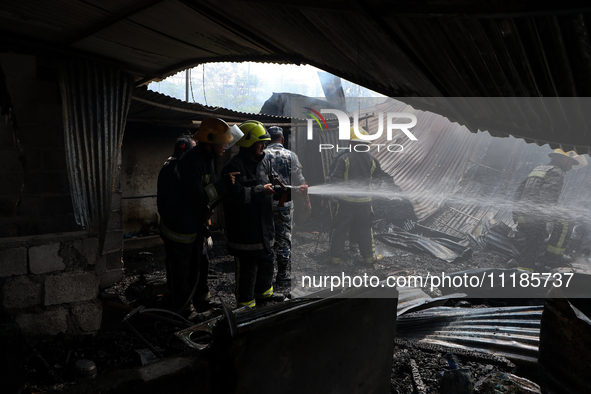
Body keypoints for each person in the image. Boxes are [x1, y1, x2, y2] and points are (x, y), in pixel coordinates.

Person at [157, 118, 242, 315]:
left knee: (199, 265)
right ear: (209, 141)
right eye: (222, 142)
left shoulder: (205, 159)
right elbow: (198, 196)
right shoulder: (191, 162)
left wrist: (205, 212)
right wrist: (222, 185)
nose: (225, 146)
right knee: (181, 270)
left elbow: (199, 195)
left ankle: (201, 302)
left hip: (192, 224)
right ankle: (184, 310)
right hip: (179, 228)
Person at [222, 120, 285, 308]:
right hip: (245, 230)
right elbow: (235, 196)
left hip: (264, 226)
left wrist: (277, 186)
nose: (263, 146)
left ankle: (264, 295)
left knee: (267, 261)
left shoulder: (264, 161)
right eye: (260, 142)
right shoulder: (233, 166)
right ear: (248, 143)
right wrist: (261, 190)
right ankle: (245, 304)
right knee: (248, 269)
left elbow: (268, 182)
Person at [326, 126, 392, 265]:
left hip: (345, 203)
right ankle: (369, 258)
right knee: (365, 231)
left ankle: (335, 259)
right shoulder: (373, 160)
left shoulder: (345, 158)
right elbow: (377, 180)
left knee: (340, 230)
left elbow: (335, 180)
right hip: (365, 203)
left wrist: (336, 193)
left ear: (351, 143)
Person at [512, 148, 585, 269]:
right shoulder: (556, 172)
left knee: (531, 247)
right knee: (566, 220)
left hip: (523, 214)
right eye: (571, 163)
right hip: (536, 216)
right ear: (563, 160)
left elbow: (519, 190)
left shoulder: (539, 168)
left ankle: (525, 271)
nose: (571, 167)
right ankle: (553, 258)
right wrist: (549, 216)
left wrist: (515, 214)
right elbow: (548, 198)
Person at [260, 126, 311, 284]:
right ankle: (282, 275)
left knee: (265, 238)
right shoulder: (291, 155)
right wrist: (307, 202)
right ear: (282, 139)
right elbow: (300, 180)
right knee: (284, 238)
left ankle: (264, 276)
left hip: (265, 204)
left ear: (268, 139)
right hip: (284, 204)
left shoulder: (262, 155)